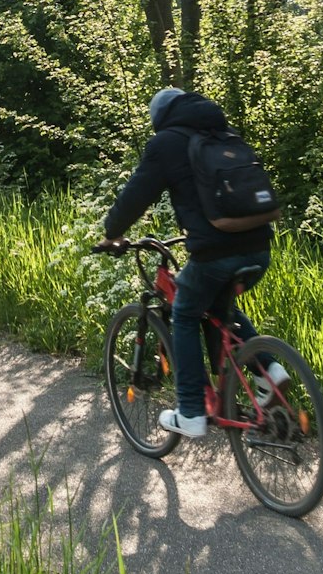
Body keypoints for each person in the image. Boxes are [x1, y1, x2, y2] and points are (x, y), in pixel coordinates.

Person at [100, 87, 285, 437]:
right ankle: (271, 371)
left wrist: (112, 232)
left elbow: (136, 195)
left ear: (160, 118)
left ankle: (191, 411)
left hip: (216, 252)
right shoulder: (223, 133)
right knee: (217, 302)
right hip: (259, 247)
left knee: (184, 312)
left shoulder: (166, 143)